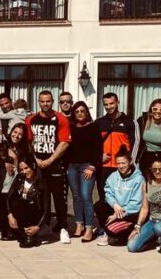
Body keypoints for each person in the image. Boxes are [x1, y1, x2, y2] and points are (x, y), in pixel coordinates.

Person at [24, 90, 72, 244]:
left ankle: (63, 227)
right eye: (42, 101)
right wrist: (36, 159)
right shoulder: (31, 119)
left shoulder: (60, 118)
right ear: (38, 102)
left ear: (53, 101)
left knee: (59, 198)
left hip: (55, 164)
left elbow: (64, 142)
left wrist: (51, 159)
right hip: (38, 164)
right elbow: (28, 142)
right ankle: (44, 225)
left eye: (48, 101)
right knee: (39, 196)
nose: (45, 104)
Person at [66, 101, 102, 242]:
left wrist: (92, 166)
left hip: (87, 166)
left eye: (82, 111)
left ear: (86, 112)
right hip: (72, 166)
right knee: (76, 196)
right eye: (77, 111)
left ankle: (89, 228)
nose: (80, 113)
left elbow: (98, 148)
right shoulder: (71, 128)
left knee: (86, 196)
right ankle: (79, 224)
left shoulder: (93, 127)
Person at [93, 150, 144, 246]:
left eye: (123, 163)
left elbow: (136, 203)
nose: (121, 166)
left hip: (130, 213)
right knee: (99, 205)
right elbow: (108, 192)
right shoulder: (113, 176)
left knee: (112, 230)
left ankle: (119, 233)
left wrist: (118, 214)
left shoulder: (138, 179)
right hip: (117, 209)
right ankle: (106, 231)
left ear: (130, 162)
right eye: (118, 163)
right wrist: (114, 204)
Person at [95, 92, 139, 200]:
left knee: (122, 197)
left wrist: (130, 162)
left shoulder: (130, 122)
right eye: (106, 104)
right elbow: (93, 144)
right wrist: (99, 157)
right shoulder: (99, 122)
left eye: (111, 103)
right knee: (104, 197)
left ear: (117, 102)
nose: (109, 107)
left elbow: (136, 144)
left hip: (122, 166)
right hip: (104, 167)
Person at [126, 159, 161, 253]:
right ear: (150, 170)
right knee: (132, 247)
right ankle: (152, 240)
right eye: (154, 169)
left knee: (159, 228)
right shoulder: (147, 185)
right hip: (152, 221)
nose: (158, 172)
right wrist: (138, 226)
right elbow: (144, 208)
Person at [5, 160, 50, 248]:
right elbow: (8, 198)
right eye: (21, 169)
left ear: (33, 166)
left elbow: (46, 209)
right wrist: (9, 215)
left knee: (29, 203)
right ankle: (21, 232)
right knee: (15, 202)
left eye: (26, 168)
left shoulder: (42, 182)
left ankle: (31, 234)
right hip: (20, 214)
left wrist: (37, 227)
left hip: (34, 215)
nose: (24, 172)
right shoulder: (19, 178)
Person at [136, 98, 161, 171]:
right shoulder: (142, 121)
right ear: (151, 110)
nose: (158, 112)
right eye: (155, 109)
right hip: (145, 156)